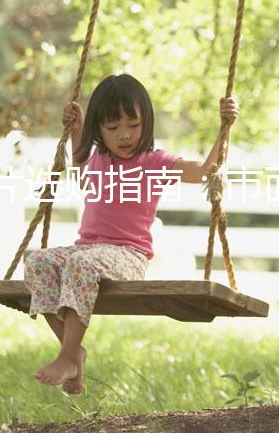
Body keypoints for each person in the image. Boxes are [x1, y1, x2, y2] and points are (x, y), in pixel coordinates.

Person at [24, 74, 239, 394]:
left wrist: (224, 128)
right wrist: (77, 123)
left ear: (146, 122)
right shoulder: (96, 159)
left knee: (80, 266)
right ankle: (73, 352)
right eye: (112, 128)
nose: (124, 135)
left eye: (133, 125)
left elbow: (203, 171)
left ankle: (68, 356)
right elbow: (80, 158)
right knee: (37, 261)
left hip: (127, 256)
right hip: (87, 250)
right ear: (100, 130)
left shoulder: (154, 162)